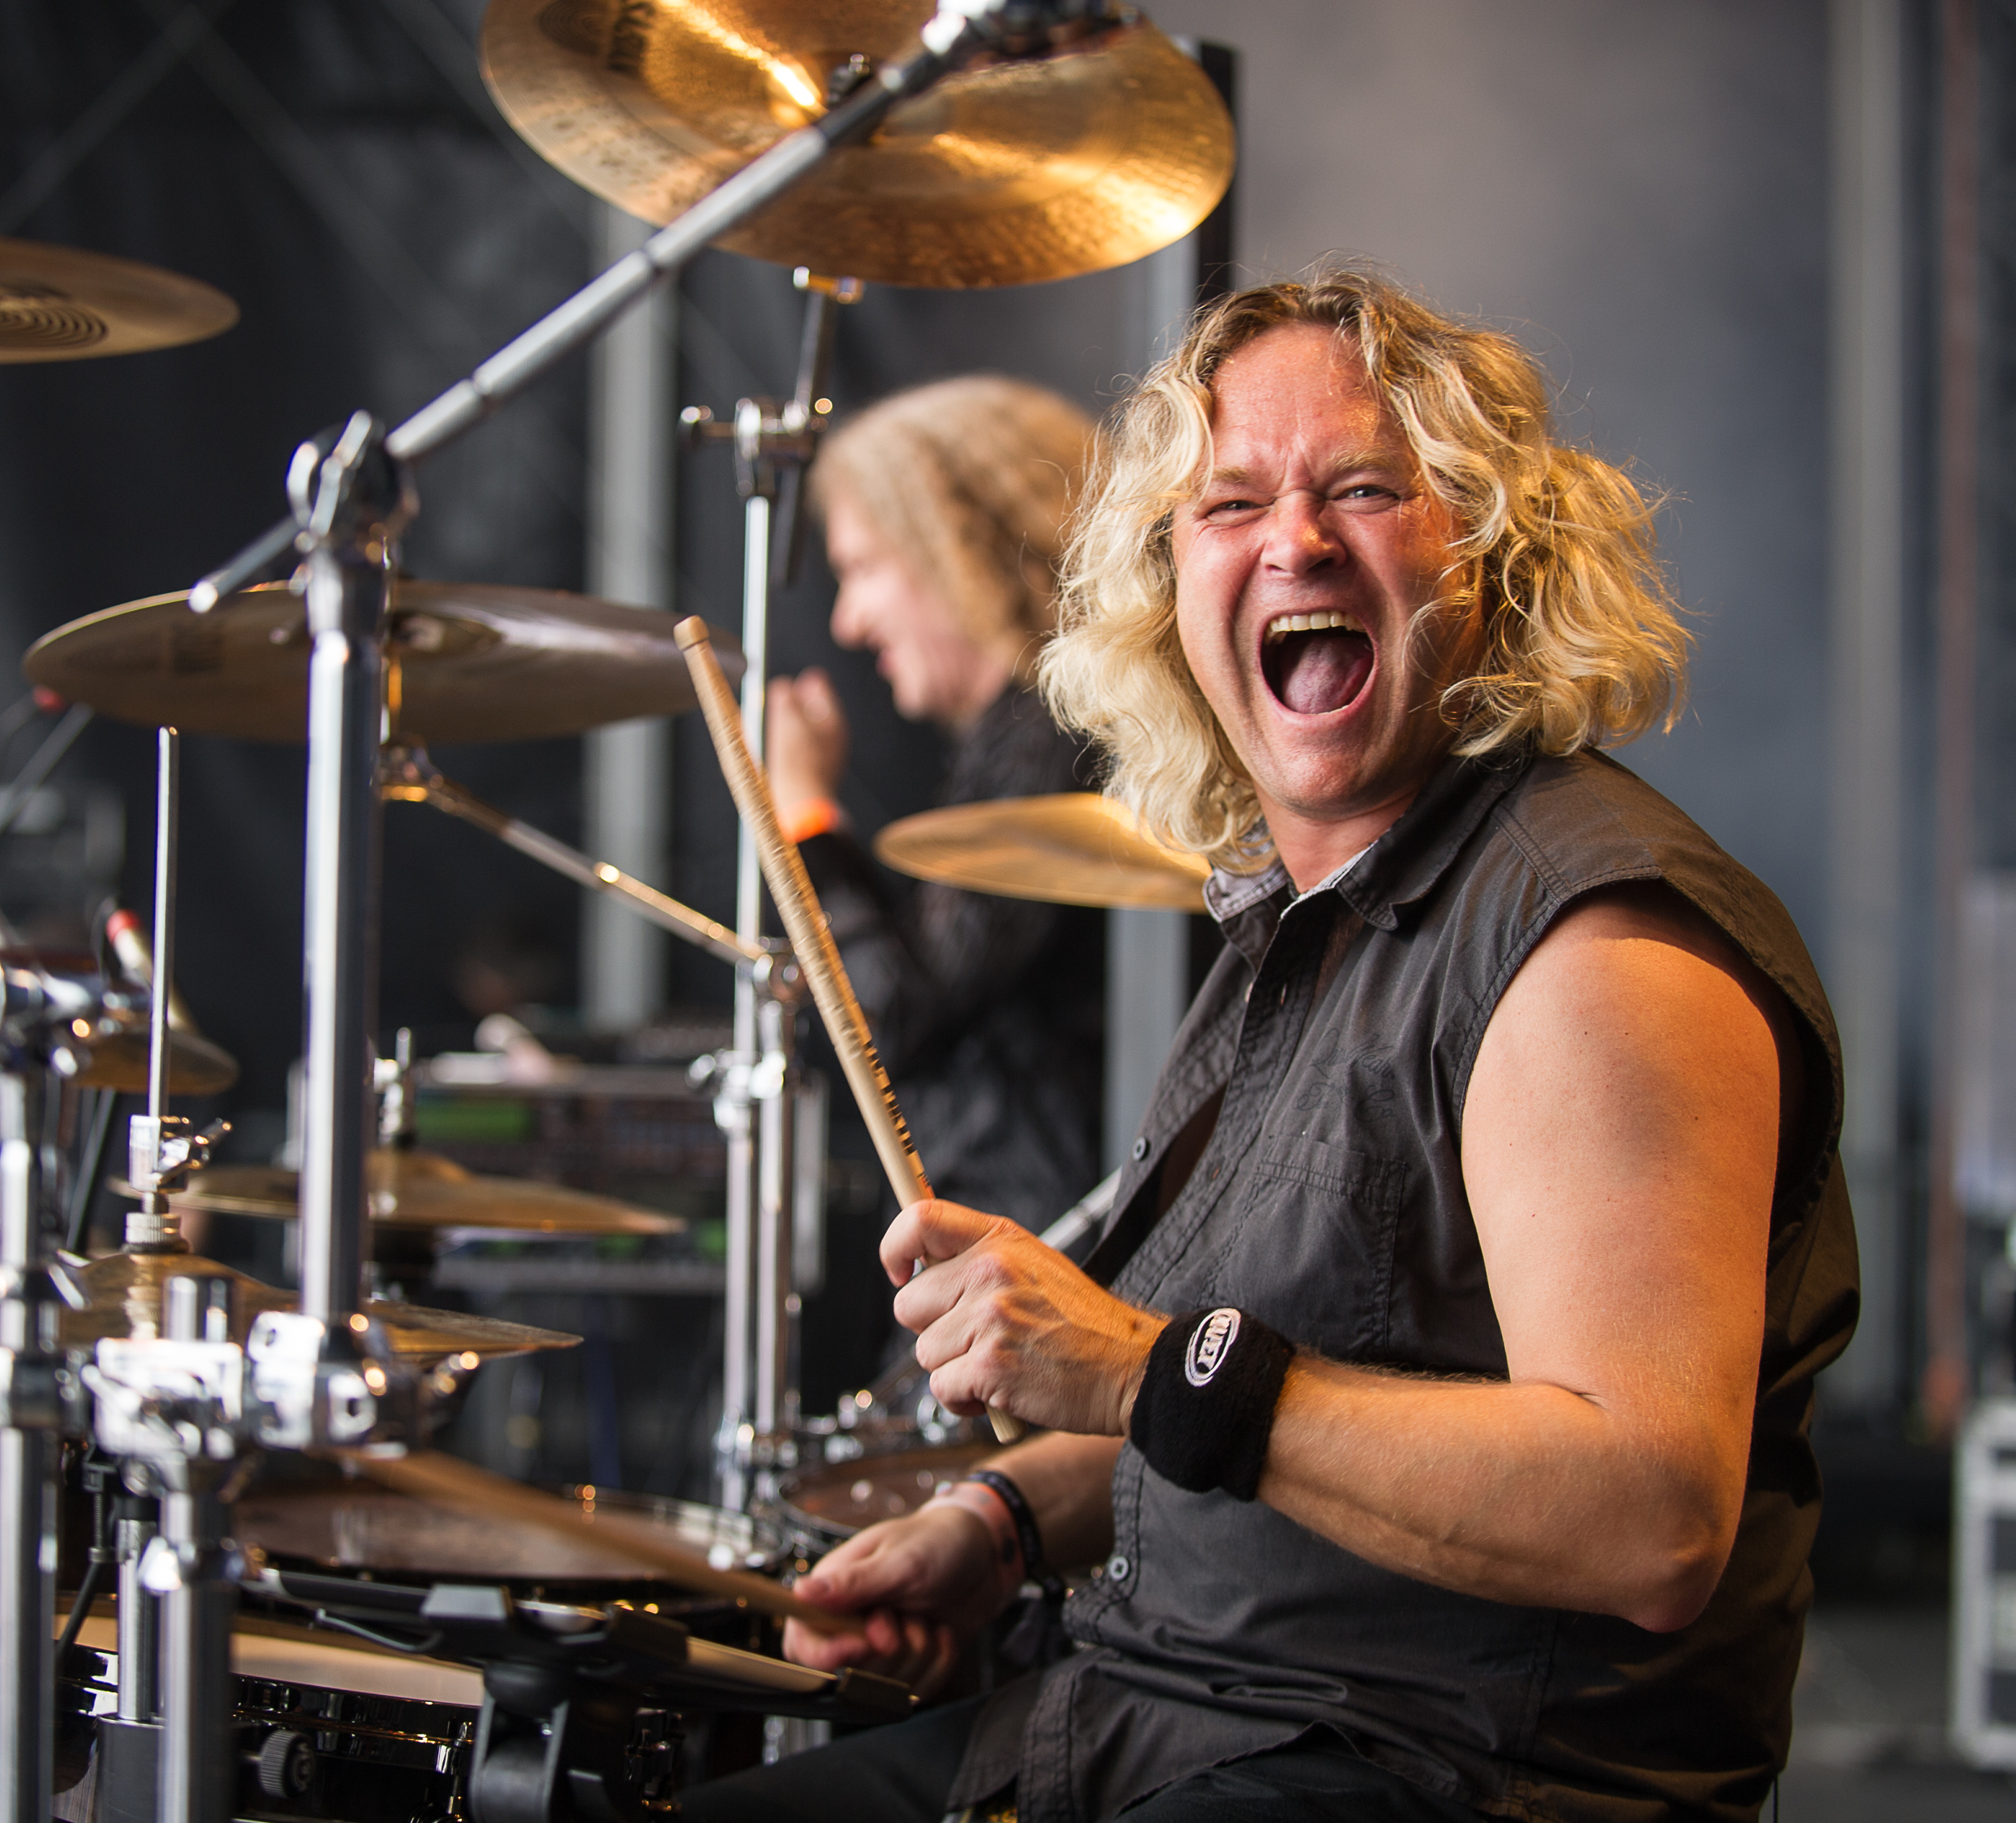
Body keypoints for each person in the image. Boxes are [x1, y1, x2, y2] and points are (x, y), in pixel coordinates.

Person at [685, 268, 1858, 1821]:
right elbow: (1288, 1403)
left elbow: (1648, 1515)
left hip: (1428, 1772)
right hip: (1159, 1716)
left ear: (1496, 558)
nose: (1293, 541)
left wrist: (1143, 1361)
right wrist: (1000, 1521)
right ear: (1169, 591)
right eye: (1230, 504)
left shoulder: (1594, 949)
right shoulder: (1308, 925)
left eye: (1364, 488)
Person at [766, 374, 1107, 1229]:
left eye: (861, 569)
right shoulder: (1017, 735)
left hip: (1047, 1244)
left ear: (951, 546)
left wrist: (804, 814)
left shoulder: (1052, 732)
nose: (847, 622)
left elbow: (890, 1020)